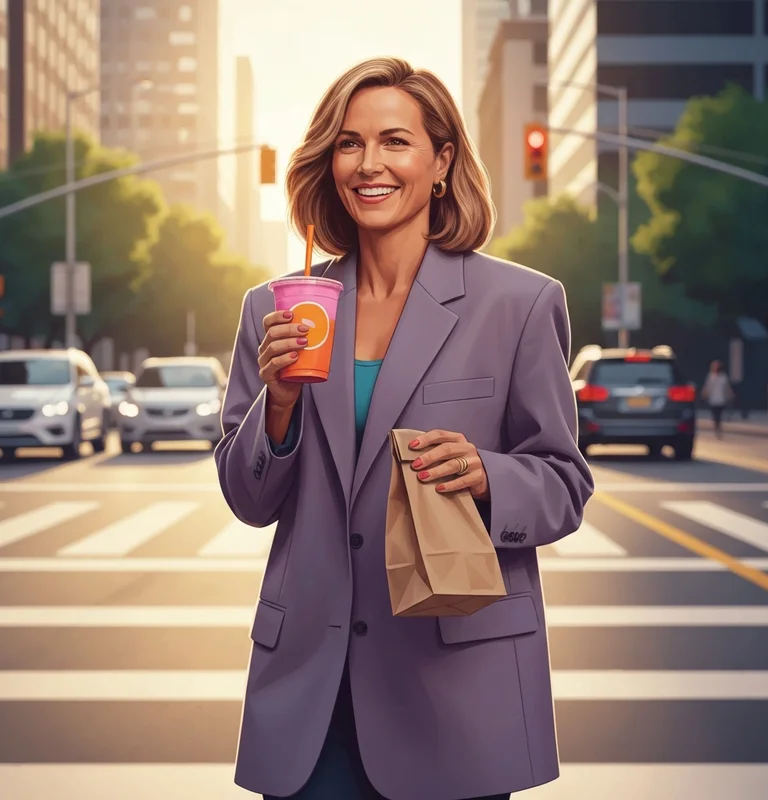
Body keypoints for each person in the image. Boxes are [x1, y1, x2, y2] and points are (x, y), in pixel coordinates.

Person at [215, 56, 595, 800]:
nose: (369, 164)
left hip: (457, 688)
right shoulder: (278, 309)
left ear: (442, 161)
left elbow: (565, 484)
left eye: (395, 141)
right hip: (310, 693)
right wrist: (279, 404)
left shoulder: (518, 304)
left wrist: (488, 475)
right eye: (349, 144)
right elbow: (248, 499)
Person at [701, 359, 734, 438]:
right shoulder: (710, 376)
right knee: (715, 415)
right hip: (713, 399)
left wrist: (730, 394)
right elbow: (707, 386)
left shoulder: (723, 377)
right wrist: (705, 393)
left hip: (721, 399)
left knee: (719, 414)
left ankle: (718, 427)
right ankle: (717, 427)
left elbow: (727, 387)